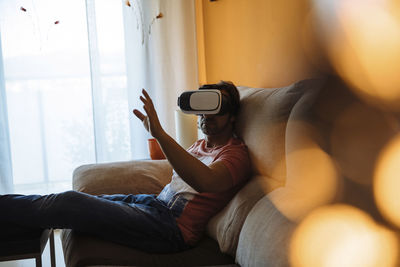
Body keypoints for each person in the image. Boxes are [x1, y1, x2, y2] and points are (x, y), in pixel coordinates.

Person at [0, 81, 251, 253]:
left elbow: (205, 182)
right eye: (204, 107)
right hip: (154, 204)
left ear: (232, 116)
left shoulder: (236, 155)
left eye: (218, 107)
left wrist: (160, 134)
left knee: (68, 203)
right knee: (73, 203)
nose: (208, 114)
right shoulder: (199, 145)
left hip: (170, 230)